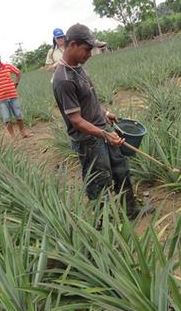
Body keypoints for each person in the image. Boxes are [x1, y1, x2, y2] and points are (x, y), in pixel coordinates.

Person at [51, 23, 147, 218]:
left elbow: (88, 102)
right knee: (99, 182)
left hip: (102, 129)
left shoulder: (78, 68)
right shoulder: (64, 79)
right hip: (88, 140)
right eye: (87, 49)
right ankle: (103, 226)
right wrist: (104, 134)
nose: (90, 54)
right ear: (73, 45)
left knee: (121, 169)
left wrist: (105, 113)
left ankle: (131, 210)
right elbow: (77, 120)